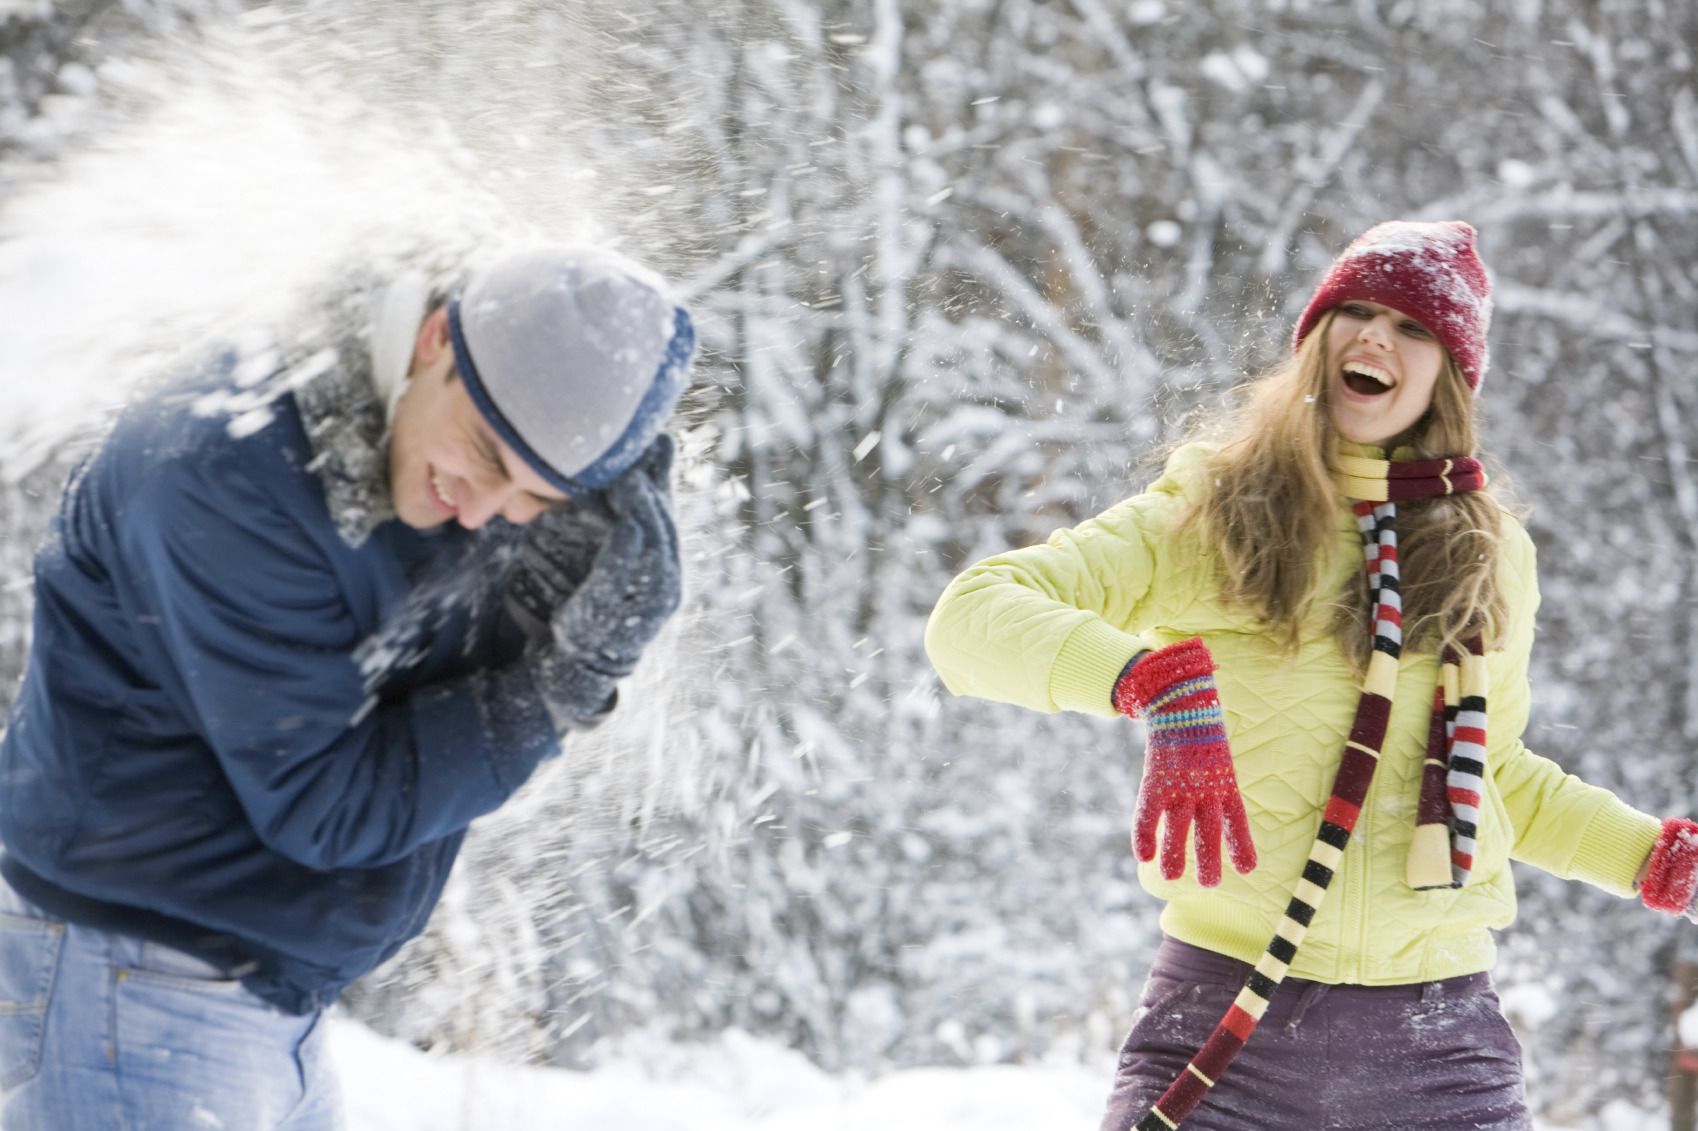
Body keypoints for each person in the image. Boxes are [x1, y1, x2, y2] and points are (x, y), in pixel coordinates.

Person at [925, 221, 1698, 1131]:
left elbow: (1487, 774)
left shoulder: (1491, 554)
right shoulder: (1218, 510)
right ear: (1316, 341)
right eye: (1356, 313)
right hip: (1228, 1027)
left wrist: (1652, 857)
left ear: (1451, 371)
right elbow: (970, 619)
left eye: (1412, 328)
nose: (1375, 338)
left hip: (1440, 1045)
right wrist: (1151, 683)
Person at [0, 245, 694, 1129]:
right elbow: (325, 802)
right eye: (487, 455)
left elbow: (392, 680)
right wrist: (557, 685)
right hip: (127, 991)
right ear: (438, 337)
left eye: (534, 497)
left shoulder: (412, 438)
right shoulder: (228, 466)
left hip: (245, 999)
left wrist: (525, 612)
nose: (483, 509)